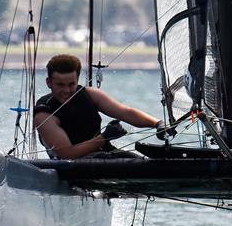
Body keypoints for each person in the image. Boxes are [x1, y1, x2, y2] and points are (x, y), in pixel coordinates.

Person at [33, 54, 173, 159]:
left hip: (104, 153)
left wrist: (158, 123)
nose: (66, 90)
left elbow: (126, 113)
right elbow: (67, 154)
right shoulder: (43, 114)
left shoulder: (90, 94)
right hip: (72, 163)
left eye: (71, 84)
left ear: (77, 80)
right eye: (60, 85)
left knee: (143, 164)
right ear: (48, 83)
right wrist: (105, 137)